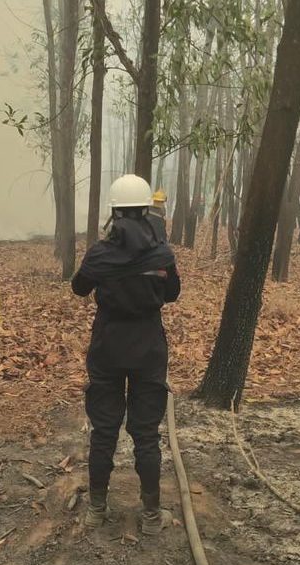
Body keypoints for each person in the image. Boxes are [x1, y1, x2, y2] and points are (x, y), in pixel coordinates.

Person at [71, 174, 181, 535]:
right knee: (146, 433)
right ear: (147, 209)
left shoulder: (101, 253)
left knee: (104, 430)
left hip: (107, 347)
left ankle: (97, 511)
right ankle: (151, 516)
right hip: (149, 347)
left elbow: (79, 288)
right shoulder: (162, 253)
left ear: (114, 212)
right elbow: (172, 294)